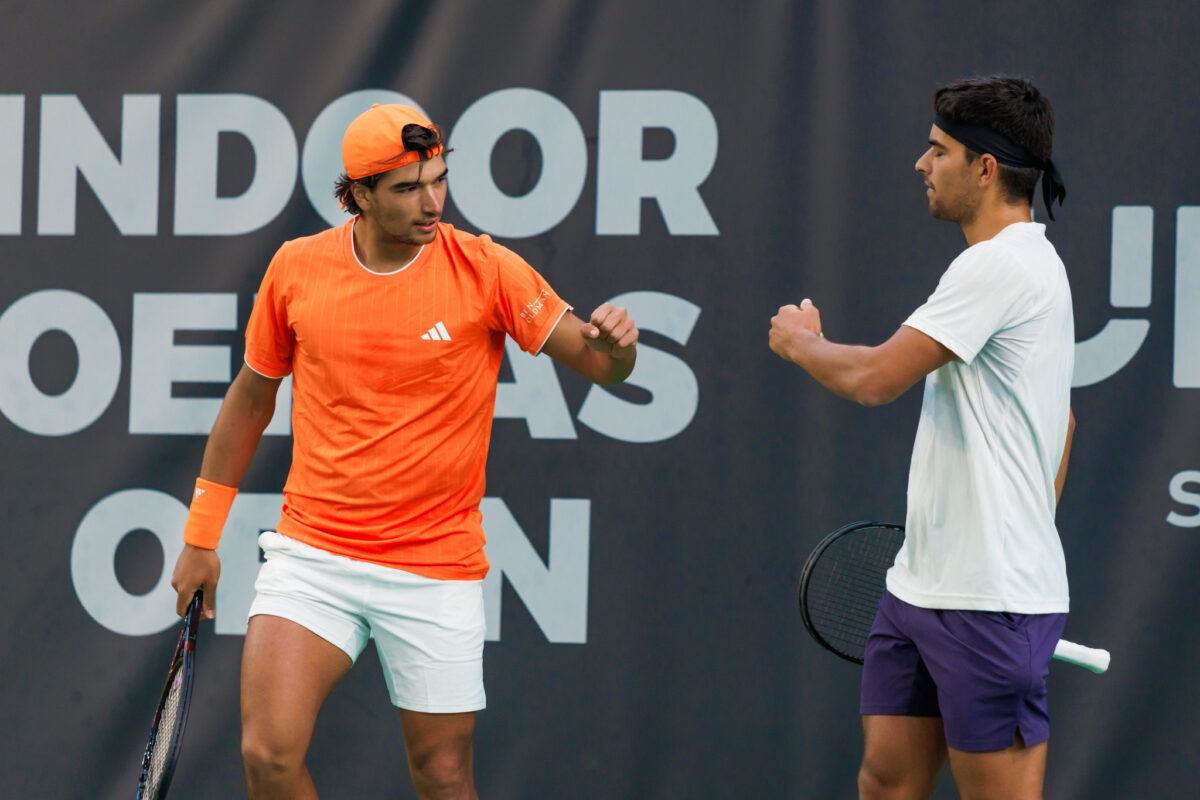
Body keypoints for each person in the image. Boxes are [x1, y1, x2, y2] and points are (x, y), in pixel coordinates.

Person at [170, 103, 639, 800]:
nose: (433, 202)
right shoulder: (296, 267)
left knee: (444, 777)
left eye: (439, 180)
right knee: (267, 755)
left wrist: (619, 350)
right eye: (409, 188)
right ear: (359, 195)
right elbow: (250, 402)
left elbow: (601, 365)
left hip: (435, 566)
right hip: (314, 555)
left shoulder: (487, 268)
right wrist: (201, 537)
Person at [769, 76, 1076, 799]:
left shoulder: (1000, 264)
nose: (921, 163)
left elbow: (875, 378)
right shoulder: (1020, 263)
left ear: (985, 168)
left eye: (939, 150)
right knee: (886, 782)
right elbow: (1062, 423)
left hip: (989, 605)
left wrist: (799, 342)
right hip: (918, 588)